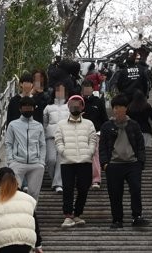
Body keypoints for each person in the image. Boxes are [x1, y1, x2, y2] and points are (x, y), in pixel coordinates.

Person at [99, 94, 148, 229]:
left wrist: (140, 162)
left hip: (132, 163)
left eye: (119, 107)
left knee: (136, 189)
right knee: (114, 193)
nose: (116, 110)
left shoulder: (133, 125)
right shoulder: (107, 126)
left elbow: (140, 144)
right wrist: (104, 163)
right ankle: (117, 219)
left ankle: (137, 216)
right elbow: (102, 146)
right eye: (114, 107)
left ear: (126, 109)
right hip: (114, 164)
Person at [55, 94, 98, 227]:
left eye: (78, 104)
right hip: (67, 162)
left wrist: (89, 152)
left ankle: (78, 214)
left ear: (82, 106)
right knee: (67, 189)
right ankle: (68, 215)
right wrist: (63, 151)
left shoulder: (88, 123)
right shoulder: (61, 124)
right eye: (72, 104)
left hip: (85, 161)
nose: (75, 107)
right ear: (68, 106)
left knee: (83, 188)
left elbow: (93, 139)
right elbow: (58, 140)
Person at [0, 167, 42, 253]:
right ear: (15, 181)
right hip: (26, 241)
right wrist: (38, 245)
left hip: (2, 243)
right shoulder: (28, 199)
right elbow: (35, 223)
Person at [5, 97, 47, 199]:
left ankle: (32, 214)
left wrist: (41, 162)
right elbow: (8, 143)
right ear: (20, 109)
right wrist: (11, 161)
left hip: (35, 164)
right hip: (18, 163)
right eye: (25, 107)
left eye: (30, 107)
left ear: (33, 109)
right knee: (15, 193)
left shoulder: (38, 126)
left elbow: (42, 145)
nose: (27, 109)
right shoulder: (13, 125)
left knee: (33, 194)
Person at [80, 80, 108, 190]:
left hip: (95, 133)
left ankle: (96, 179)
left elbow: (104, 118)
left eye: (89, 87)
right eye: (84, 87)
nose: (87, 90)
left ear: (92, 89)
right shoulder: (78, 101)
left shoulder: (98, 101)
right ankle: (83, 179)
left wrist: (103, 132)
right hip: (80, 132)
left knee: (95, 155)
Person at [42, 83, 70, 193]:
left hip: (64, 137)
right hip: (50, 137)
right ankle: (55, 180)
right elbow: (45, 123)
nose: (60, 93)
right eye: (58, 91)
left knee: (60, 161)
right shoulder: (48, 107)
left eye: (62, 91)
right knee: (51, 160)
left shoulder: (69, 106)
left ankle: (58, 184)